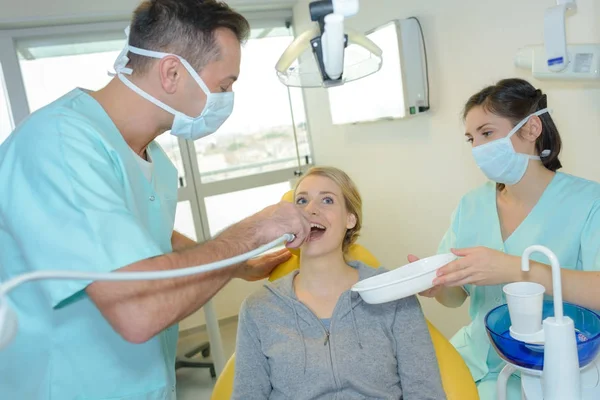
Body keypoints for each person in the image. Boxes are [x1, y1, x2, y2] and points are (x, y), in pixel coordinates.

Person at [0, 1, 312, 399]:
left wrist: (236, 263)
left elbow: (148, 235)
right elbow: (137, 311)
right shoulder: (59, 146)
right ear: (172, 72)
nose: (226, 98)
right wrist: (250, 233)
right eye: (224, 86)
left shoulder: (154, 159)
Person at [414, 78, 600, 399]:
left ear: (531, 129)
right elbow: (457, 297)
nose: (477, 148)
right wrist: (438, 286)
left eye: (487, 133)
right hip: (475, 358)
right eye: (471, 138)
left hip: (551, 368)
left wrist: (517, 269)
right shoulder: (471, 205)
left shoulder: (589, 202)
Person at [232, 166, 447, 400]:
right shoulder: (259, 310)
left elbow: (426, 392)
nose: (310, 210)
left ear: (350, 219)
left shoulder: (393, 293)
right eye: (301, 201)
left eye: (326, 200)